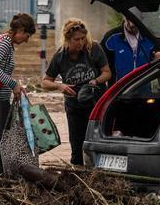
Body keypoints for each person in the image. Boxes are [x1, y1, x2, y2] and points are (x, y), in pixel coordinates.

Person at [41, 18, 112, 166]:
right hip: (74, 107)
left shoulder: (94, 49)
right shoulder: (60, 56)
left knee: (96, 141)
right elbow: (45, 82)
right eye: (76, 39)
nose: (80, 42)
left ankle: (98, 172)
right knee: (76, 145)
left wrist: (96, 81)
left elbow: (107, 73)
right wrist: (60, 86)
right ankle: (78, 175)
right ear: (67, 39)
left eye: (82, 38)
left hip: (96, 105)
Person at [0, 12, 35, 176]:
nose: (26, 40)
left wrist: (15, 86)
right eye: (26, 35)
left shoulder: (4, 41)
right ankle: (0, 178)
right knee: (3, 140)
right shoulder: (5, 43)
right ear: (19, 30)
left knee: (0, 138)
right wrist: (13, 84)